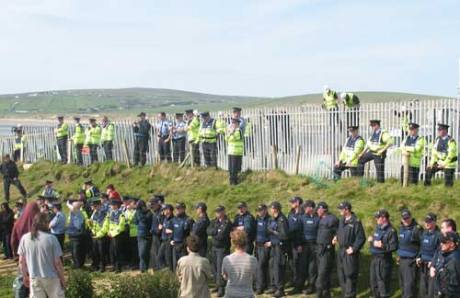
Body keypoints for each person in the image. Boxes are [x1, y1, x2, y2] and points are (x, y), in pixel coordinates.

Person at [18, 213, 65, 298]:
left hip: (34, 277)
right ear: (45, 223)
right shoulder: (52, 239)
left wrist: (25, 276)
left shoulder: (25, 238)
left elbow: (21, 261)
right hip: (51, 277)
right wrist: (62, 278)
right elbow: (57, 262)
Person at [334, 201, 365, 298]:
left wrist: (354, 248)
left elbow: (361, 238)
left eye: (341, 208)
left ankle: (350, 295)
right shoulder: (341, 220)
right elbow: (340, 232)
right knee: (341, 275)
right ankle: (345, 295)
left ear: (347, 209)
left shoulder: (356, 221)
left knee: (350, 275)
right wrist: (336, 237)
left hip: (349, 252)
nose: (339, 210)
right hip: (341, 251)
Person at [369, 209, 398, 298]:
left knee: (383, 284)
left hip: (384, 260)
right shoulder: (378, 228)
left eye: (378, 218)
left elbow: (394, 246)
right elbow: (375, 242)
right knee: (373, 282)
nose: (376, 219)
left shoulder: (391, 231)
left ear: (384, 218)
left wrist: (383, 246)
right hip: (375, 259)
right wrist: (372, 241)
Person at [222, 230, 257, 298]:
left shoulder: (226, 259)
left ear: (232, 242)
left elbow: (225, 276)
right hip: (247, 294)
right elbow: (254, 276)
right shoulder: (253, 260)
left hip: (230, 294)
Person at [207, 205, 232, 297]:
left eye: (220, 211)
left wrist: (215, 234)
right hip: (214, 247)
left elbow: (222, 235)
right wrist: (216, 231)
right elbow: (208, 231)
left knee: (221, 268)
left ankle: (222, 288)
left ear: (223, 212)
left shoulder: (227, 222)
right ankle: (217, 285)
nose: (218, 213)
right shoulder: (214, 221)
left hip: (222, 248)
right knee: (215, 267)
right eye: (217, 211)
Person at [316, 201, 339, 298]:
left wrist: (336, 237)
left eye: (318, 209)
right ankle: (326, 293)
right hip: (319, 248)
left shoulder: (332, 219)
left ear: (323, 210)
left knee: (323, 272)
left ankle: (319, 294)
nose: (317, 211)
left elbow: (339, 231)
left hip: (327, 249)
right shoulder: (320, 219)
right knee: (322, 272)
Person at [397, 209, 423, 298]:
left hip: (411, 261)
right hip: (402, 261)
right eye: (404, 219)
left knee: (409, 288)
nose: (406, 220)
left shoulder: (417, 229)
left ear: (411, 217)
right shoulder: (401, 228)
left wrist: (419, 257)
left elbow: (423, 245)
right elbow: (401, 243)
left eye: (407, 218)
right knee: (403, 286)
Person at [266, 201, 289, 298]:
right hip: (274, 247)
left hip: (279, 247)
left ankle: (280, 289)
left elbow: (283, 236)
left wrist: (273, 235)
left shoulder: (281, 219)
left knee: (278, 267)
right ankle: (275, 286)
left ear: (275, 209)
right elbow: (269, 228)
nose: (270, 210)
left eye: (271, 208)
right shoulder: (273, 219)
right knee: (273, 266)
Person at [417, 213, 440, 298]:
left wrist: (433, 263)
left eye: (429, 222)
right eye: (426, 221)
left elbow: (439, 252)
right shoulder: (423, 233)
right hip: (423, 266)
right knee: (422, 291)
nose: (426, 223)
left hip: (432, 268)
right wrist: (418, 257)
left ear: (434, 222)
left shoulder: (439, 235)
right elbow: (421, 248)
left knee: (431, 292)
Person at [300, 200, 320, 295]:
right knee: (304, 266)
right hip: (304, 245)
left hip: (314, 246)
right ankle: (302, 284)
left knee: (312, 267)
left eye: (306, 207)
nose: (304, 209)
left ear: (311, 208)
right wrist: (299, 244)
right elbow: (299, 231)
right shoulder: (303, 217)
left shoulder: (318, 218)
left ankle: (311, 286)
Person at [432, 232, 460, 297]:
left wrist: (441, 293)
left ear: (452, 244)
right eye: (441, 241)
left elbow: (453, 286)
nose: (441, 244)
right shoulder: (448, 255)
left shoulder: (454, 260)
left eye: (444, 242)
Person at [287, 196, 305, 295]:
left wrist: (300, 244)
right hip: (291, 243)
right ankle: (293, 281)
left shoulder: (303, 214)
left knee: (298, 265)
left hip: (299, 244)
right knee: (291, 263)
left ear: (298, 202)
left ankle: (298, 286)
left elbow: (303, 230)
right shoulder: (291, 212)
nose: (291, 203)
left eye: (293, 202)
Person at [88, 197, 109, 272]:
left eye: (93, 206)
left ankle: (102, 267)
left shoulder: (102, 213)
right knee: (95, 252)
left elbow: (104, 225)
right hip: (95, 235)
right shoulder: (93, 213)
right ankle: (96, 266)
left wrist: (99, 234)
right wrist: (90, 226)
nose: (92, 207)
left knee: (101, 252)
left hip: (101, 236)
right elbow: (93, 224)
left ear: (98, 205)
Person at [171, 203, 194, 271]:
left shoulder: (189, 220)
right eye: (176, 208)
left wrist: (187, 244)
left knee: (184, 265)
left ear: (183, 209)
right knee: (175, 265)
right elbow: (171, 231)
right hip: (175, 244)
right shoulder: (174, 219)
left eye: (179, 208)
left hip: (184, 245)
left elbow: (192, 234)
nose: (177, 210)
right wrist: (171, 240)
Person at [254, 204, 271, 295]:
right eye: (258, 210)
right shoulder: (257, 219)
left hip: (265, 246)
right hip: (257, 245)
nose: (259, 212)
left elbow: (273, 232)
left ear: (265, 210)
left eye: (260, 210)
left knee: (261, 266)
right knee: (260, 266)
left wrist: (270, 242)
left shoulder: (269, 219)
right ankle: (263, 285)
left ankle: (260, 287)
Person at [66, 200, 87, 269]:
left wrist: (68, 205)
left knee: (77, 253)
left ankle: (79, 267)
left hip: (78, 237)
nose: (70, 208)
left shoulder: (79, 214)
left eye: (73, 206)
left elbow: (77, 226)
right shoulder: (72, 214)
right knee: (73, 253)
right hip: (72, 236)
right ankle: (76, 265)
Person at [107, 199, 126, 273]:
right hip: (111, 235)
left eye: (112, 205)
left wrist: (113, 233)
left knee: (117, 252)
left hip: (117, 235)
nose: (111, 206)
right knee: (112, 251)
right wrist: (109, 231)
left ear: (116, 205)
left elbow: (121, 226)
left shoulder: (121, 214)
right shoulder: (111, 213)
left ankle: (118, 267)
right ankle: (114, 266)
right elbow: (109, 223)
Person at [134, 199, 152, 272]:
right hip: (140, 235)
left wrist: (139, 212)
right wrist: (138, 212)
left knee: (144, 253)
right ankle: (142, 269)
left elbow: (144, 220)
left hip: (146, 235)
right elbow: (136, 221)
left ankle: (145, 268)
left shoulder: (149, 213)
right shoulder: (138, 213)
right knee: (140, 253)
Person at [226, 118, 244, 185]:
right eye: (232, 123)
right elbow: (226, 138)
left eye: (234, 123)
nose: (232, 124)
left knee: (234, 168)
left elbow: (233, 139)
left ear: (237, 124)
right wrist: (230, 133)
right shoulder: (231, 131)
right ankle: (231, 182)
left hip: (236, 152)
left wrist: (231, 133)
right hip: (231, 151)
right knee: (230, 168)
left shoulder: (238, 131)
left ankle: (234, 182)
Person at [158, 204, 174, 271]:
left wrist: (171, 231)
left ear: (169, 210)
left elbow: (175, 230)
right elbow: (159, 216)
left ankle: (170, 272)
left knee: (168, 258)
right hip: (163, 240)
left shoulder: (173, 219)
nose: (164, 211)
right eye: (163, 210)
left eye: (165, 210)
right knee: (159, 257)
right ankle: (165, 270)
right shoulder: (165, 219)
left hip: (169, 240)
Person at [149, 196, 163, 270]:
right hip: (154, 234)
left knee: (158, 252)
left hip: (159, 235)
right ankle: (156, 266)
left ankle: (159, 267)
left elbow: (161, 225)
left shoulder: (161, 212)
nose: (152, 207)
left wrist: (157, 230)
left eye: (153, 205)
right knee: (154, 252)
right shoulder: (155, 212)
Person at [125, 197, 139, 269]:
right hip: (129, 232)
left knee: (135, 249)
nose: (134, 205)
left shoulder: (136, 211)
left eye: (134, 204)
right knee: (130, 249)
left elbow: (132, 220)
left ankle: (136, 263)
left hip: (135, 232)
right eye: (133, 204)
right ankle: (132, 262)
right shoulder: (127, 211)